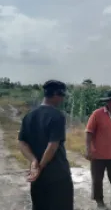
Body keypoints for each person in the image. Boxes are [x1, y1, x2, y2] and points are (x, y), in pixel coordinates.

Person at [18, 80, 73, 210]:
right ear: (56, 94)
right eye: (62, 95)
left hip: (37, 178)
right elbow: (53, 145)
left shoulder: (29, 116)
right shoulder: (57, 116)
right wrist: (40, 167)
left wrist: (34, 162)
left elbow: (22, 142)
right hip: (57, 176)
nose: (62, 99)